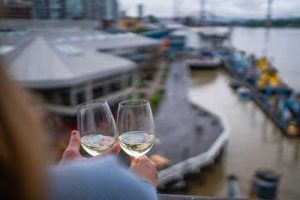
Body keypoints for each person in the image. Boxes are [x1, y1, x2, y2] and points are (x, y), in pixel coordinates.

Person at [0, 65, 158, 200]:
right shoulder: (104, 180)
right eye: (28, 102)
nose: (40, 114)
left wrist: (67, 171)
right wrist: (145, 183)